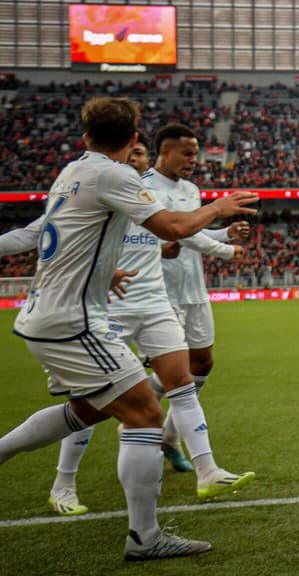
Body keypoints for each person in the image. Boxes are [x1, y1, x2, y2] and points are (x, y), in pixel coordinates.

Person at [0, 96, 258, 560]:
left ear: (85, 136)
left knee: (87, 410)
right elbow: (173, 227)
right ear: (135, 138)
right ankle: (145, 537)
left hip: (52, 314)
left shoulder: (72, 171)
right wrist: (218, 208)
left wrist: (102, 273)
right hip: (74, 322)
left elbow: (44, 236)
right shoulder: (115, 175)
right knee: (144, 413)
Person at [144, 124, 250, 469]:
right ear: (164, 152)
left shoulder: (190, 188)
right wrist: (225, 249)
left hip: (194, 288)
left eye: (195, 154)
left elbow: (192, 229)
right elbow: (177, 232)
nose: (193, 160)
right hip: (161, 292)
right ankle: (142, 411)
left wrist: (223, 231)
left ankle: (167, 436)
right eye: (186, 153)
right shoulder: (146, 188)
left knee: (202, 362)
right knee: (178, 373)